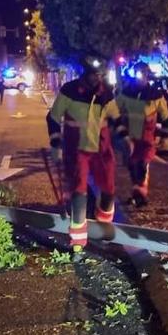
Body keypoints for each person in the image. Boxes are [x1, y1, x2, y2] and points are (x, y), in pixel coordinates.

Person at [46, 59, 126, 251]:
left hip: (102, 150)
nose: (97, 79)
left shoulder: (105, 93)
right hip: (77, 149)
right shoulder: (69, 91)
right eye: (94, 75)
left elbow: (116, 119)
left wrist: (125, 139)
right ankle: (78, 241)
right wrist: (56, 144)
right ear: (86, 74)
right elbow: (53, 117)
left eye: (100, 76)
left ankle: (104, 229)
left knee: (108, 190)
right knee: (79, 191)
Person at [115, 63, 168, 208]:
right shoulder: (126, 93)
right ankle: (137, 194)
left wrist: (165, 135)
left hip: (147, 138)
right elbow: (115, 111)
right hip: (130, 138)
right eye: (138, 73)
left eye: (144, 73)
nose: (141, 76)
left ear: (147, 75)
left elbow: (166, 116)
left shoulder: (155, 95)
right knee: (132, 166)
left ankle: (141, 195)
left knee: (143, 165)